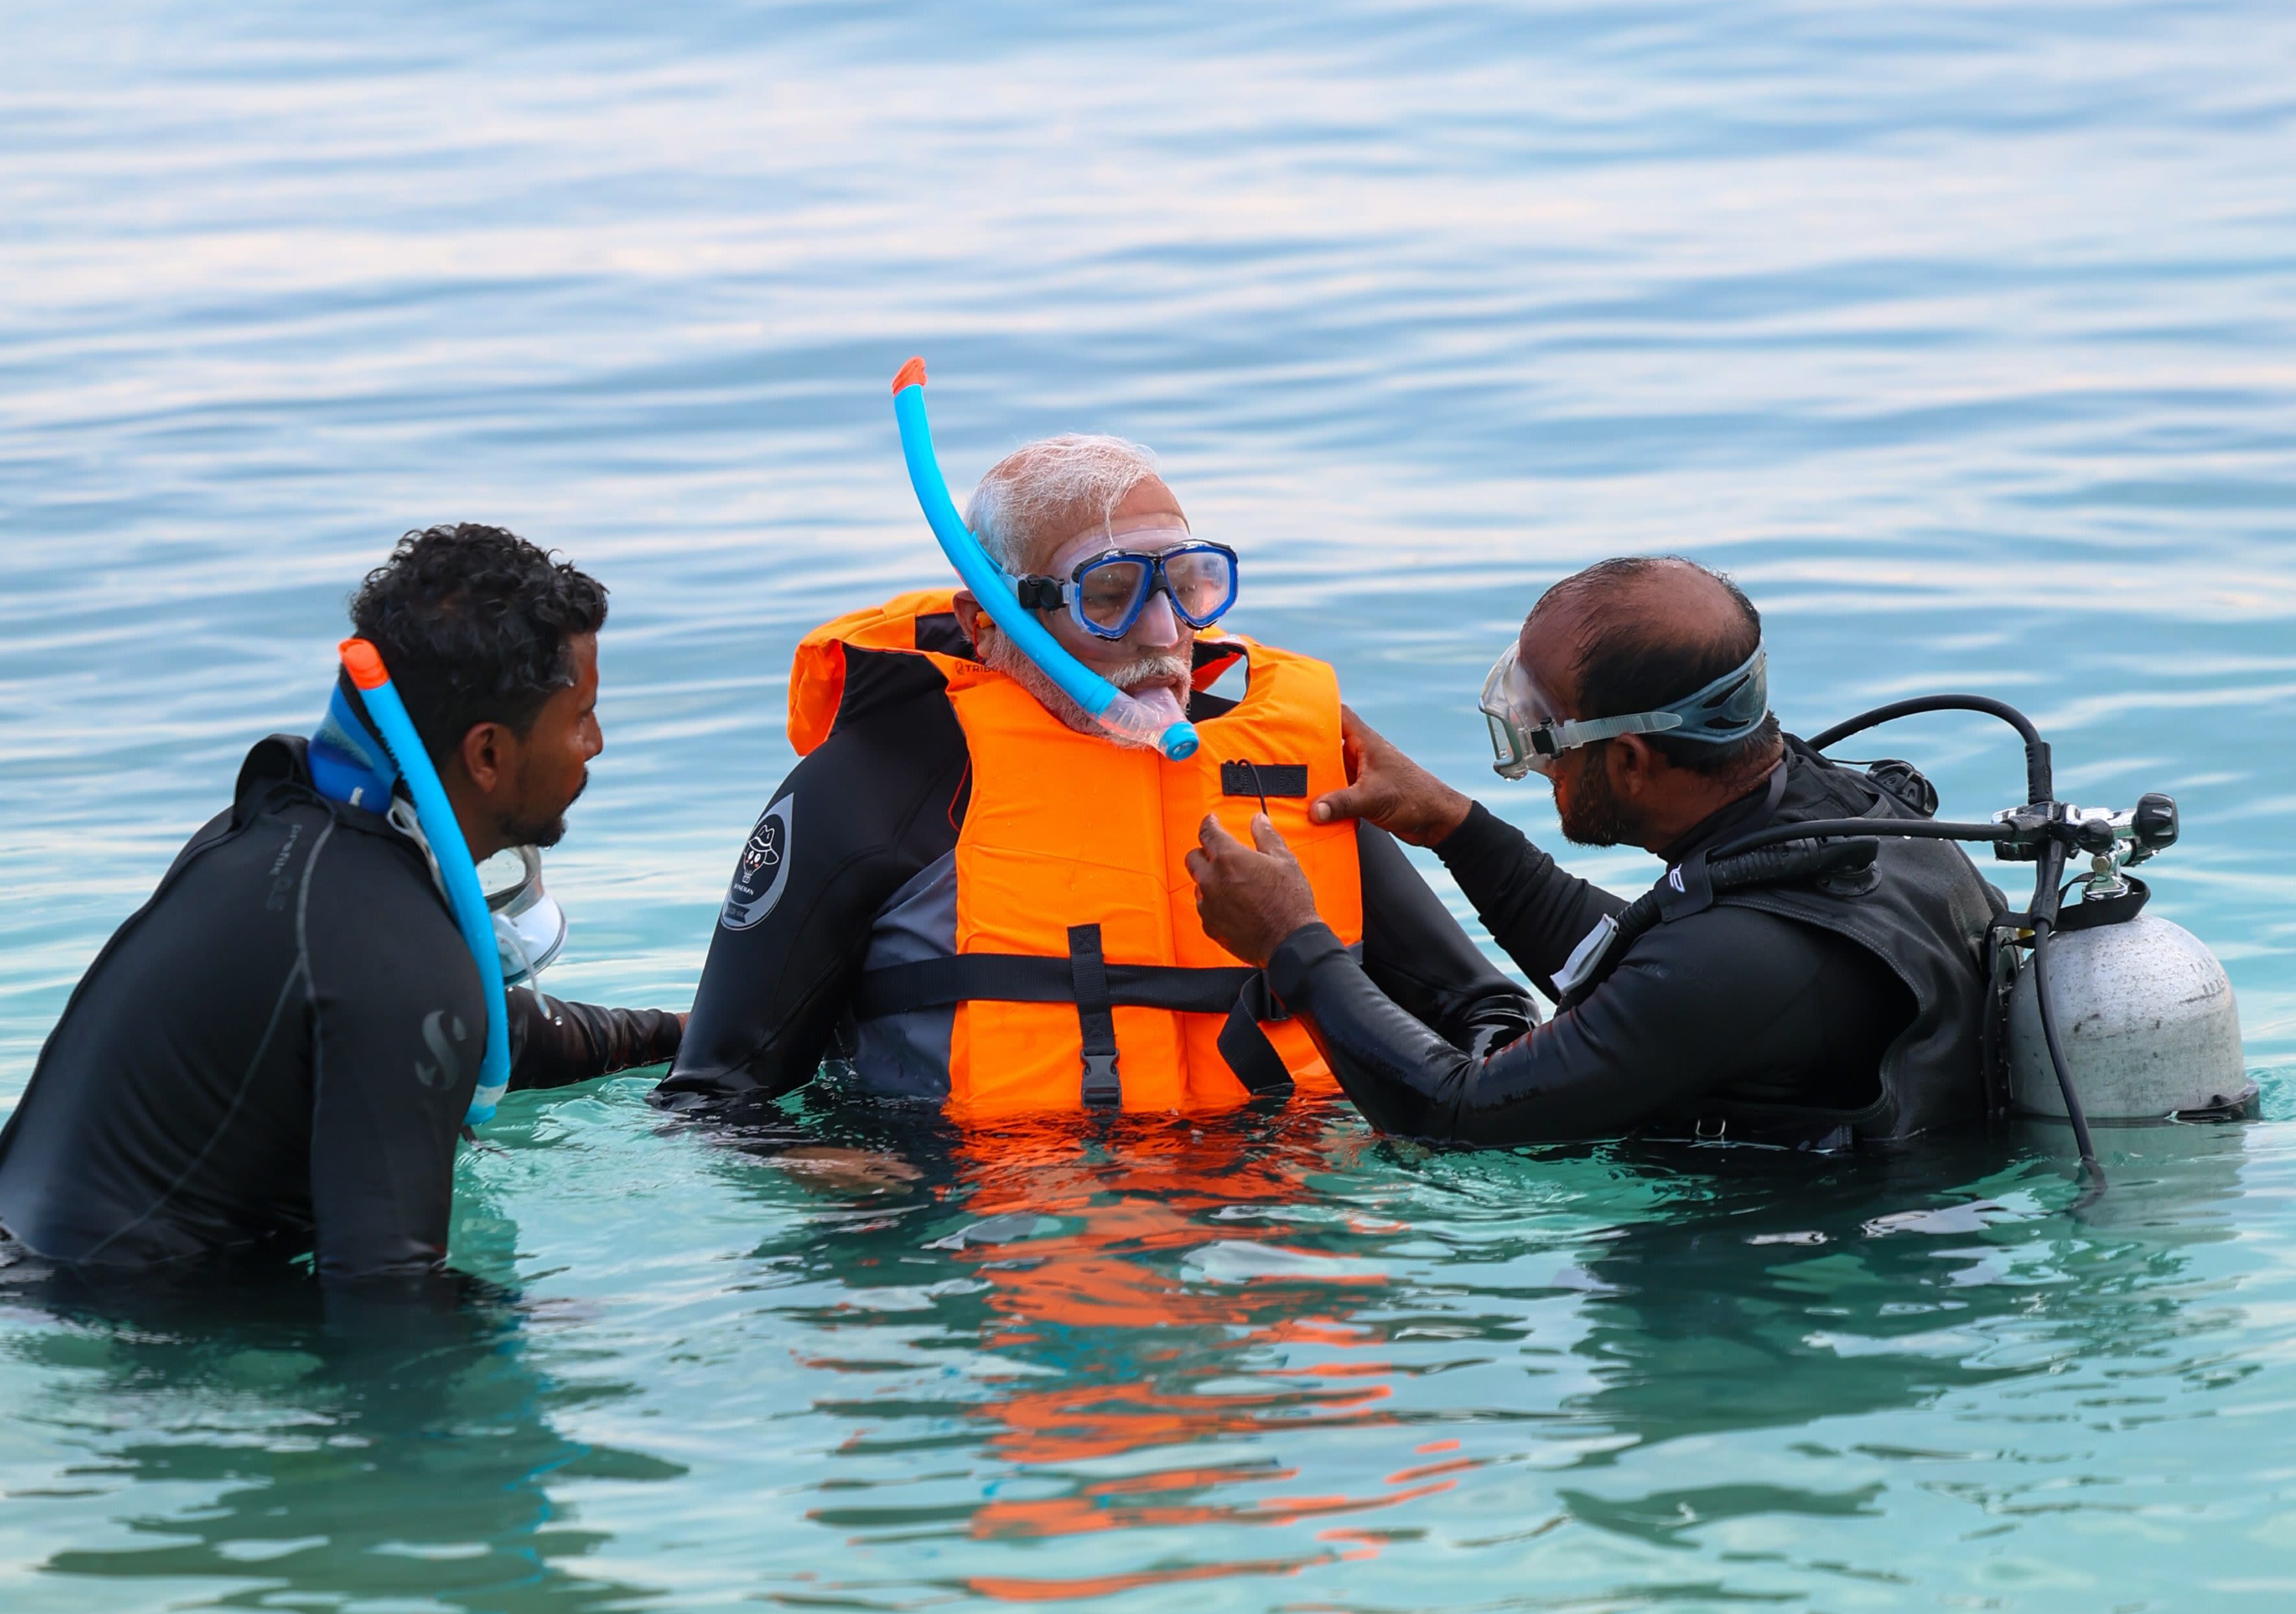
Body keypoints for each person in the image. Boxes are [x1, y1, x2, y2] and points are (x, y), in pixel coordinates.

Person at [662, 435, 1532, 1119]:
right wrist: (858, 1190)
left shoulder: (1280, 771)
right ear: (986, 620)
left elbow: (1488, 1012)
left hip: (1271, 1239)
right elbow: (710, 1100)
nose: (1164, 631)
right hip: (985, 1243)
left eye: (1190, 583)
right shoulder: (876, 786)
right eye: (1108, 594)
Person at [0, 525, 684, 1286]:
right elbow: (388, 1305)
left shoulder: (283, 843)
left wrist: (676, 1034)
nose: (595, 743)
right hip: (112, 1323)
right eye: (581, 714)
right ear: (488, 754)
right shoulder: (394, 949)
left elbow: (456, 1027)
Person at [1186, 555, 2001, 1150]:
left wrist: (1291, 944)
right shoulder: (1848, 814)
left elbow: (1457, 1115)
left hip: (1796, 1284)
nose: (1535, 762)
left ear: (1632, 762)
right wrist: (1451, 826)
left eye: (1544, 735)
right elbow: (1639, 968)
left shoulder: (1734, 959)